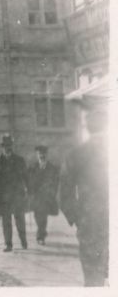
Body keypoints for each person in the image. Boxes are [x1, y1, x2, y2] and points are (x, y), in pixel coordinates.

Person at [59, 91, 108, 286]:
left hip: (91, 226)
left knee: (93, 280)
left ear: (87, 125)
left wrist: (79, 218)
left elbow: (64, 195)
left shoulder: (75, 155)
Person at [0, 134, 29, 252]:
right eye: (5, 145)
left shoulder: (19, 160)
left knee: (20, 220)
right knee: (6, 221)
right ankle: (8, 244)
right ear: (2, 146)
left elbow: (26, 176)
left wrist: (28, 189)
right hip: (4, 197)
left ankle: (23, 240)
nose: (8, 148)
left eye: (9, 145)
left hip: (17, 195)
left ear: (12, 146)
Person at [27, 145, 59, 245]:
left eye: (43, 154)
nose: (42, 156)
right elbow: (28, 180)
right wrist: (29, 190)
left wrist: (52, 193)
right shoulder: (32, 167)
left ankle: (40, 236)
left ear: (47, 155)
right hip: (36, 197)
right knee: (38, 216)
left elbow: (55, 182)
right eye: (40, 154)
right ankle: (42, 232)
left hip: (46, 197)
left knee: (43, 217)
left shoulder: (52, 168)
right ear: (37, 155)